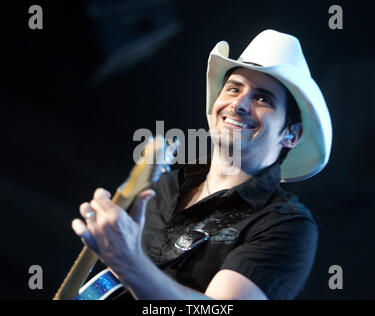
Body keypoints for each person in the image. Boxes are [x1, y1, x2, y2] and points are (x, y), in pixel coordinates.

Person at [72, 29, 332, 300]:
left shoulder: (285, 225)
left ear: (291, 134)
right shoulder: (162, 187)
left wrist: (130, 262)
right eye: (233, 88)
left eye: (262, 98)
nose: (239, 104)